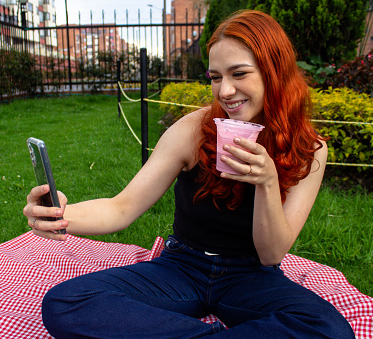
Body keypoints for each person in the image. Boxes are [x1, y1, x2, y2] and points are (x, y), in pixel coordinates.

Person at [23, 9, 355, 338]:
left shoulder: (309, 149)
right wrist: (59, 215)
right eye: (215, 77)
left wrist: (267, 182)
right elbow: (121, 208)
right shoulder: (194, 130)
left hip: (251, 276)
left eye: (239, 74)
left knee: (329, 330)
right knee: (66, 302)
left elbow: (271, 254)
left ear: (275, 72)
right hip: (182, 267)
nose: (224, 91)